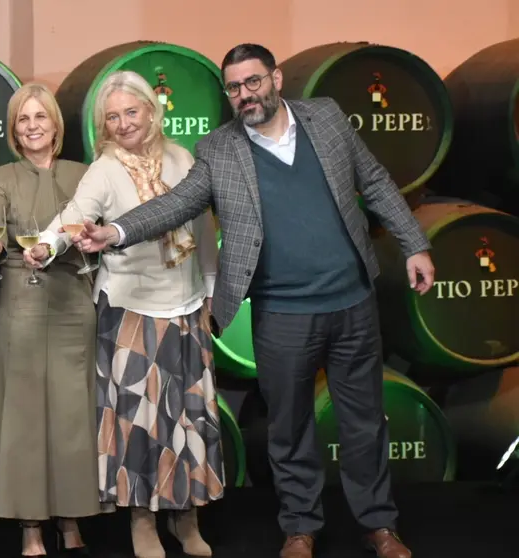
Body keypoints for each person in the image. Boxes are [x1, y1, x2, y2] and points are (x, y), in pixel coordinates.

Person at [72, 44, 436, 558]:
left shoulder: (326, 118)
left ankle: (380, 526)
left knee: (364, 424)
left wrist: (415, 243)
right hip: (282, 312)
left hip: (352, 301)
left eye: (253, 82)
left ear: (276, 79)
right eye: (234, 87)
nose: (245, 94)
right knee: (288, 428)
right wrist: (115, 232)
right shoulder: (220, 148)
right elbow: (177, 204)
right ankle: (300, 529)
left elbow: (374, 182)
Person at [27, 70, 223, 558]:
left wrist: (211, 288)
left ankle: (186, 518)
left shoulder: (183, 159)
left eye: (131, 112)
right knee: (140, 424)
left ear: (151, 111)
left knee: (188, 419)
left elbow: (203, 228)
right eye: (112, 117)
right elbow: (74, 215)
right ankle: (142, 521)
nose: (123, 123)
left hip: (186, 307)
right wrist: (47, 245)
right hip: (131, 310)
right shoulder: (105, 169)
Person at [0, 83, 98, 558]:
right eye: (23, 119)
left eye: (40, 116)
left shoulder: (84, 174)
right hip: (19, 303)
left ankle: (71, 518)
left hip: (73, 302)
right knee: (24, 418)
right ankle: (30, 527)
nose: (32, 126)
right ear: (13, 129)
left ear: (55, 124)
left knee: (71, 417)